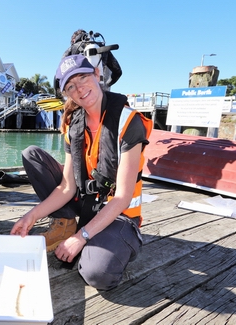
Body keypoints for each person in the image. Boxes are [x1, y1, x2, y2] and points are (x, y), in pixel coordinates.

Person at [10, 54, 152, 290]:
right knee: (32, 154)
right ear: (67, 94)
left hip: (120, 213)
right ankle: (67, 224)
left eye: (83, 77)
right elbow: (67, 187)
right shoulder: (72, 124)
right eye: (71, 86)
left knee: (97, 274)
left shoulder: (128, 122)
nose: (80, 88)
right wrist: (31, 216)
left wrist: (81, 237)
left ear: (97, 75)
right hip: (87, 202)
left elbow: (122, 197)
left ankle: (120, 239)